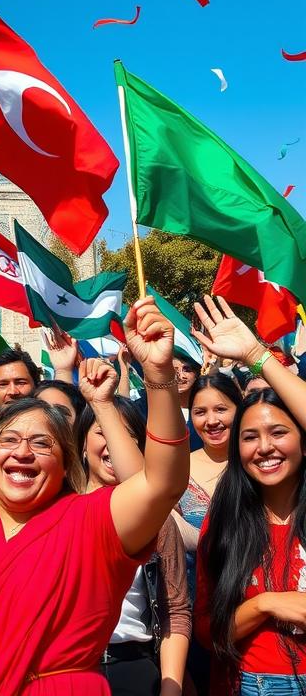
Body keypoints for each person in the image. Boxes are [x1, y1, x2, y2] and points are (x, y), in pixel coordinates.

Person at [0, 296, 190, 695]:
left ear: (65, 462)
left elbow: (162, 482)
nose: (21, 452)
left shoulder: (93, 522)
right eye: (10, 440)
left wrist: (158, 375)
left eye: (41, 443)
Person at [190, 296, 306, 693]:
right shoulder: (224, 520)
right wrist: (266, 604)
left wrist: (257, 355)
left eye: (279, 433)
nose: (264, 448)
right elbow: (208, 631)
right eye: (250, 437)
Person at [75, 362, 191, 696]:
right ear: (82, 444)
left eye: (129, 436)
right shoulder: (56, 511)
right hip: (70, 672)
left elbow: (175, 611)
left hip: (135, 668)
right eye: (103, 431)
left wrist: (171, 687)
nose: (113, 443)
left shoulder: (159, 521)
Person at [173, 373, 240, 557]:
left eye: (220, 409)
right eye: (200, 412)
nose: (211, 421)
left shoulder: (258, 465)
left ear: (239, 409)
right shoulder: (179, 469)